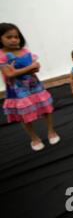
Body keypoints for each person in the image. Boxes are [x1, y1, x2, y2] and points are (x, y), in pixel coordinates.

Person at [0, 23, 60, 151]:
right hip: (18, 92)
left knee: (46, 109)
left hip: (35, 87)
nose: (13, 40)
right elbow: (9, 74)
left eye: (16, 37)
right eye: (9, 37)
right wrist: (28, 69)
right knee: (24, 114)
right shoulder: (2, 56)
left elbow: (36, 68)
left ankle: (51, 131)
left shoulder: (25, 51)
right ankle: (34, 137)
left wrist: (19, 71)